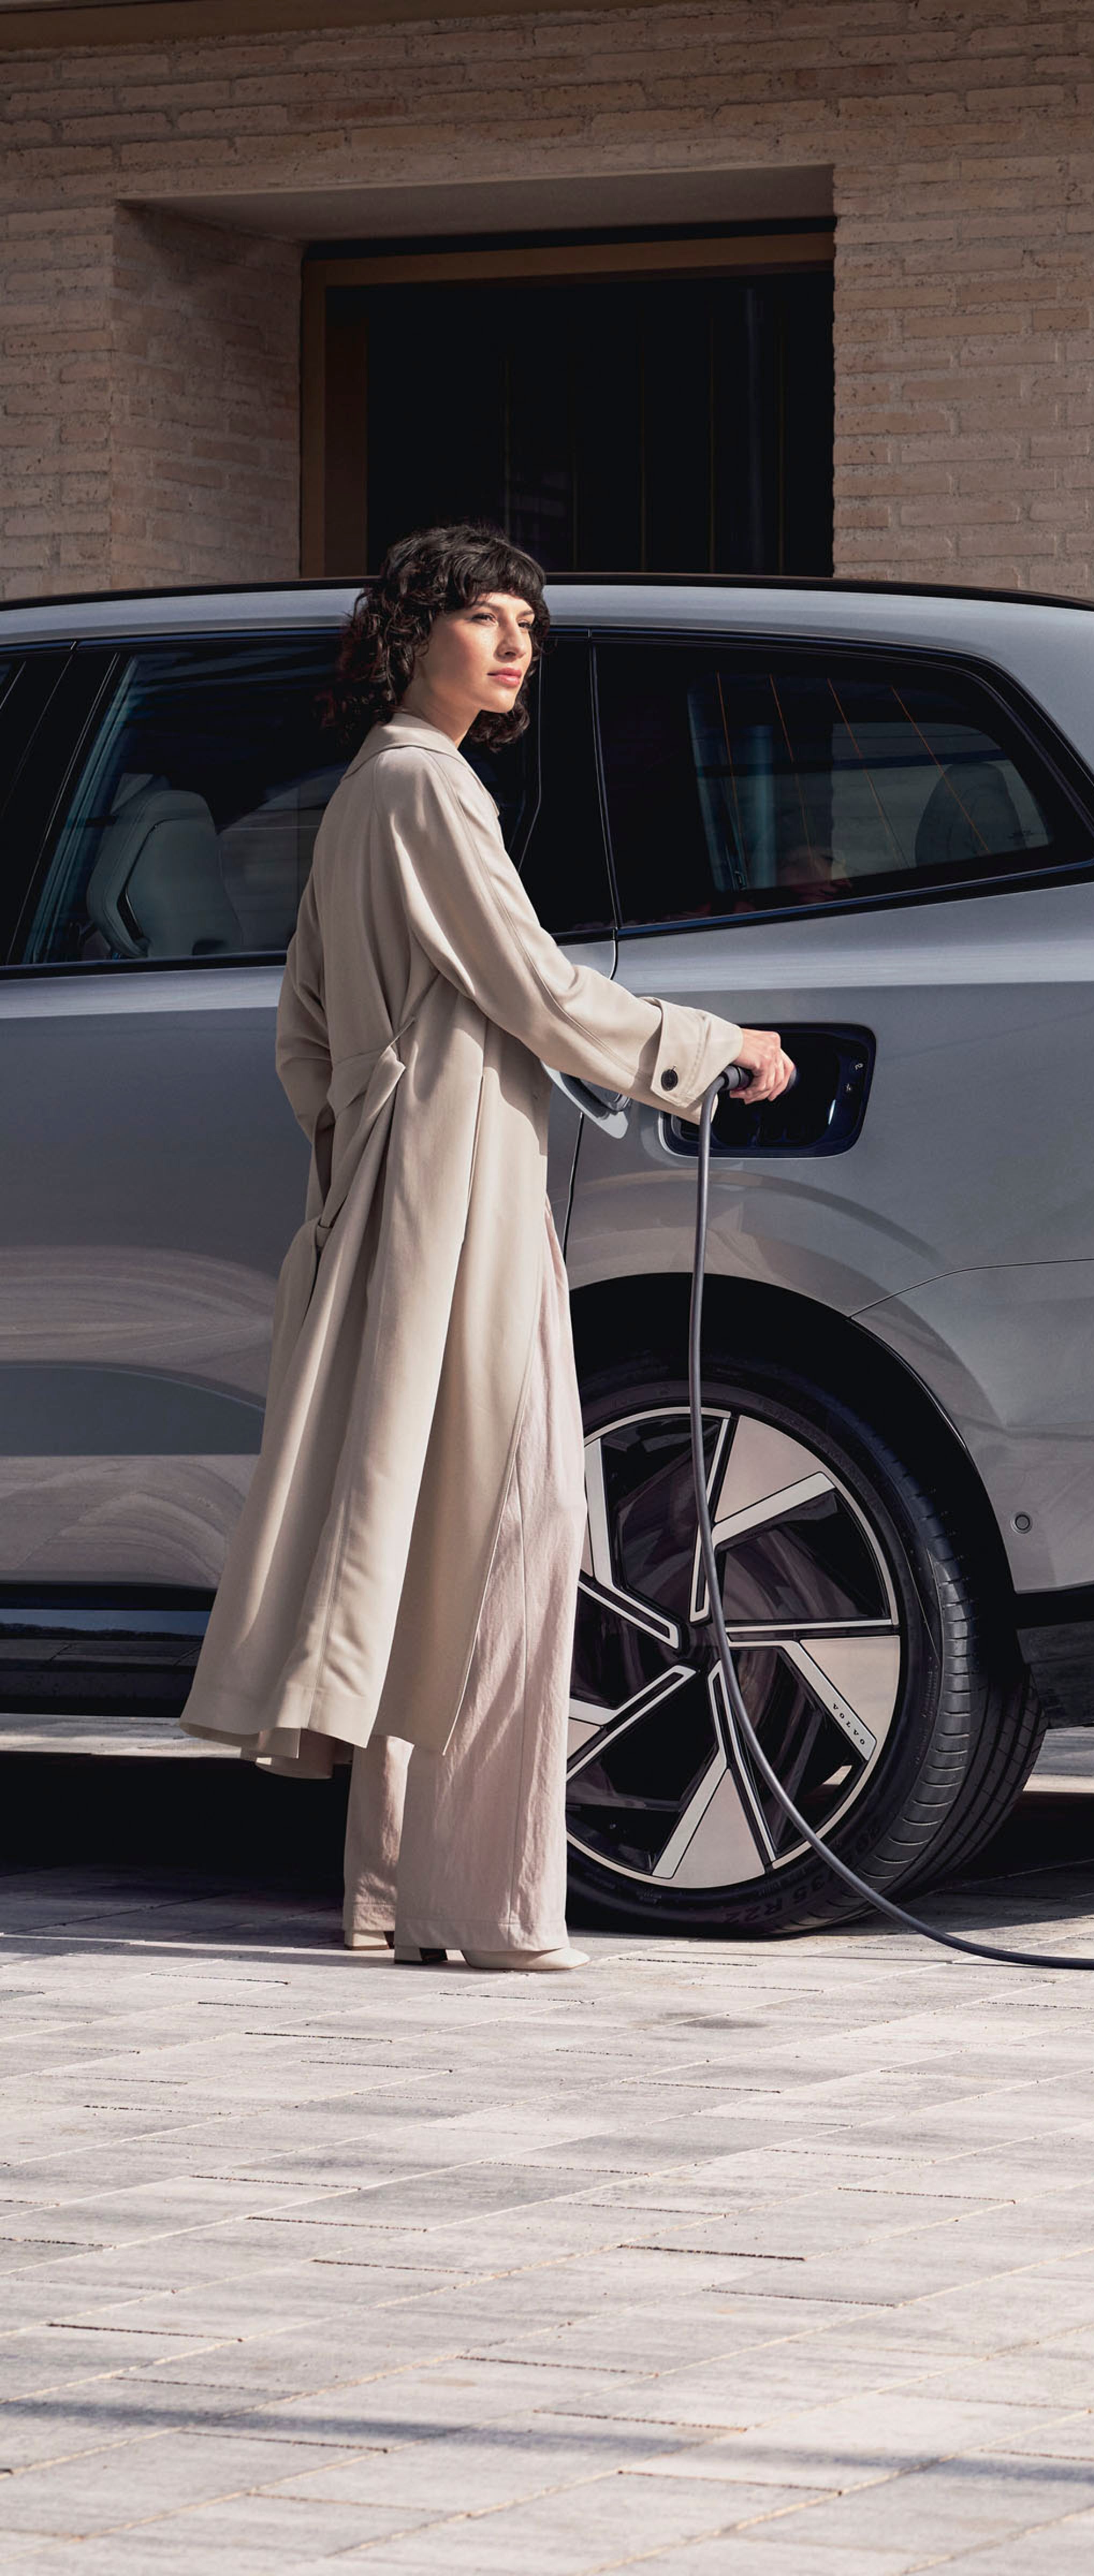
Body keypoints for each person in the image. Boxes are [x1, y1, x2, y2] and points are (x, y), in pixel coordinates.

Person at [181, 524, 793, 1972]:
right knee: (515, 1534)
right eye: (484, 618)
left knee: (437, 1531)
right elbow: (532, 987)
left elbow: (306, 1037)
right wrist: (711, 1048)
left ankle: (408, 1895)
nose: (514, 644)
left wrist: (367, 1146)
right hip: (457, 1199)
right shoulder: (426, 786)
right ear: (412, 634)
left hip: (413, 1192)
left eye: (528, 623)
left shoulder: (369, 793)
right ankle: (495, 1909)